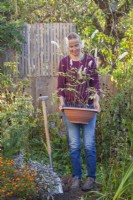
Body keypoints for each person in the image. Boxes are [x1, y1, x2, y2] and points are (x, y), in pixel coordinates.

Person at [57, 32, 100, 191]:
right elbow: (60, 87)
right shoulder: (64, 63)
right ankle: (76, 177)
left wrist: (96, 101)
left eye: (76, 45)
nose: (74, 49)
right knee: (74, 145)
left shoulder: (90, 61)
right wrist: (62, 103)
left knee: (89, 144)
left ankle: (91, 178)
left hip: (87, 108)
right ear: (68, 47)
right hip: (70, 108)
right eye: (71, 46)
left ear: (81, 44)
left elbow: (96, 84)